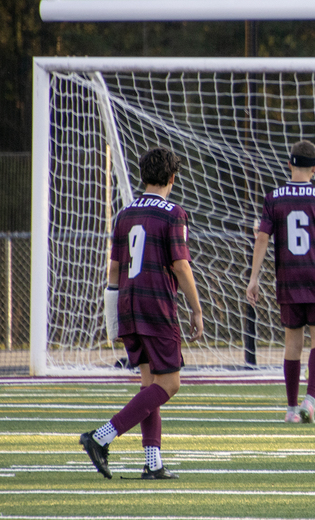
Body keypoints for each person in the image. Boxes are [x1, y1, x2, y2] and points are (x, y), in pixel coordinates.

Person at [81, 147, 204, 480]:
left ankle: (153, 462)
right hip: (156, 305)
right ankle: (101, 436)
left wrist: (113, 320)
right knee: (171, 383)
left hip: (128, 303)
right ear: (173, 178)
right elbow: (180, 265)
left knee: (150, 384)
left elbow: (114, 270)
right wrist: (196, 307)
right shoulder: (173, 213)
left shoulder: (124, 214)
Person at [246, 140, 315, 424]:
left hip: (288, 277)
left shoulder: (273, 197)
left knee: (292, 344)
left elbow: (262, 238)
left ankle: (291, 409)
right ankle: (310, 402)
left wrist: (254, 278)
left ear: (289, 164)